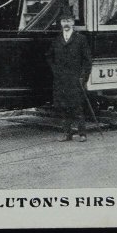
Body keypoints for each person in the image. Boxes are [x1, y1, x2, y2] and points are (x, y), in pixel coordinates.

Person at [46, 8, 93, 142]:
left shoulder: (80, 39)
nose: (66, 23)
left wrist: (83, 77)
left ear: (73, 22)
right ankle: (67, 134)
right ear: (61, 23)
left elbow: (87, 60)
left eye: (68, 21)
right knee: (63, 107)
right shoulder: (57, 40)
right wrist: (55, 70)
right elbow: (49, 56)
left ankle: (82, 133)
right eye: (63, 21)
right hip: (61, 79)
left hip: (75, 79)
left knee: (77, 106)